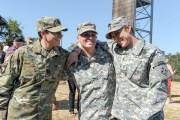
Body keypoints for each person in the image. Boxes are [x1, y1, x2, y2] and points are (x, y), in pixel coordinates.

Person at [67, 16, 171, 120]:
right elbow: (90, 42)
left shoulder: (153, 53)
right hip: (119, 115)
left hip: (145, 116)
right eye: (113, 37)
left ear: (128, 28)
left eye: (117, 33)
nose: (116, 39)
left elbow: (160, 90)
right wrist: (76, 50)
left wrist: (142, 116)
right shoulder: (115, 48)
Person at [0, 16, 69, 120]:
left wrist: (76, 51)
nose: (60, 36)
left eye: (61, 32)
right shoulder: (23, 53)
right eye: (56, 32)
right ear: (42, 33)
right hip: (19, 115)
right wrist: (2, 114)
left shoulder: (63, 55)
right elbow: (4, 85)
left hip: (44, 115)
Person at [67, 22, 116, 120]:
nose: (90, 37)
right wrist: (76, 50)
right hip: (88, 116)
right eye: (86, 35)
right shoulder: (72, 61)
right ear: (78, 38)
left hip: (112, 116)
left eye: (93, 35)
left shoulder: (108, 52)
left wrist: (76, 49)